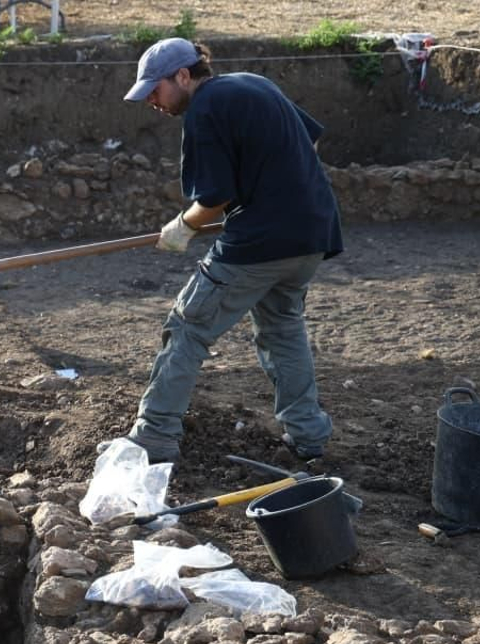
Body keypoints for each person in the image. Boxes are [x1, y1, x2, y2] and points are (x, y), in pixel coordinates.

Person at [121, 38, 343, 466]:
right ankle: (308, 437)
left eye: (155, 88)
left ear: (183, 76)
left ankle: (155, 435)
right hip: (313, 232)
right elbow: (308, 143)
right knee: (282, 328)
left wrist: (182, 227)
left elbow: (215, 198)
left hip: (260, 242)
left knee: (188, 327)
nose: (151, 99)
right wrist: (267, 193)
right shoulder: (253, 84)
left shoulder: (205, 110)